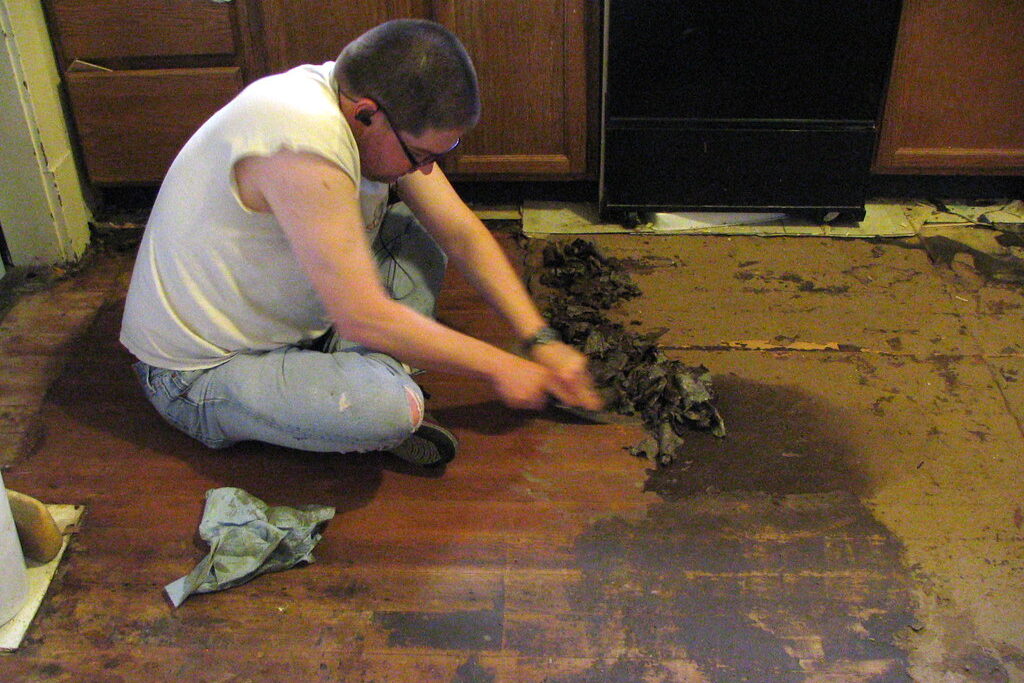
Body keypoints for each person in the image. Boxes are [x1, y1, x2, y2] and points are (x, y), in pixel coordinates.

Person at [119, 19, 601, 467]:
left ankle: (361, 369)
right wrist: (500, 367)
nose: (427, 170)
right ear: (367, 114)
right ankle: (373, 390)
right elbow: (361, 317)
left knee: (417, 235)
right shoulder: (298, 139)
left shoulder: (360, 97)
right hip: (201, 373)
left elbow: (460, 233)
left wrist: (539, 340)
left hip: (303, 318)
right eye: (421, 154)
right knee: (391, 410)